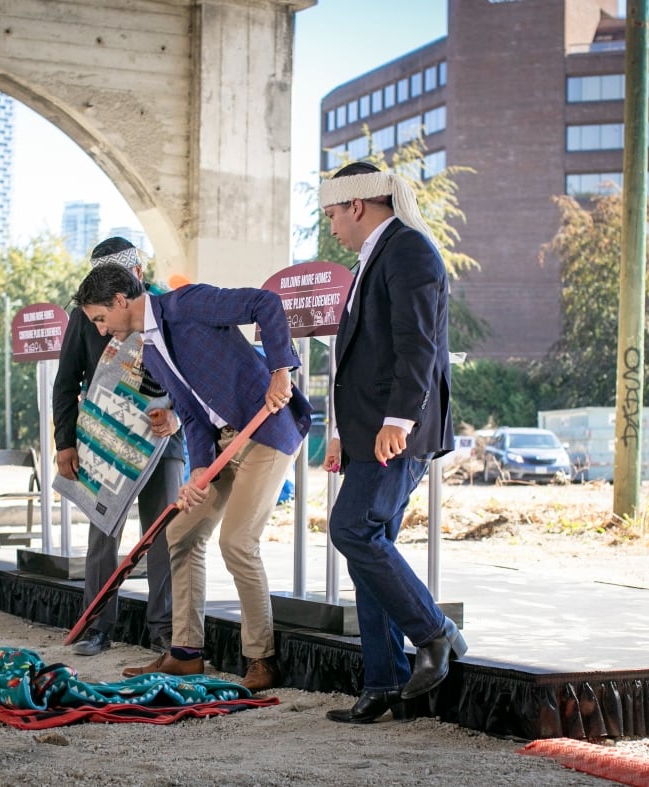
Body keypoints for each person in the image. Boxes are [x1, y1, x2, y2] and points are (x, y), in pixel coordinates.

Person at [72, 264, 311, 692]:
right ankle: (185, 653)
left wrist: (280, 370)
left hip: (268, 431)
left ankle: (262, 658)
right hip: (222, 446)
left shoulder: (188, 303)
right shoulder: (150, 353)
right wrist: (199, 467)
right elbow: (194, 415)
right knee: (181, 534)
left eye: (100, 319)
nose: (103, 331)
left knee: (237, 542)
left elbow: (265, 303)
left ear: (121, 301)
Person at [318, 161, 467, 724]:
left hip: (396, 432)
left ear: (357, 205)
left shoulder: (409, 250)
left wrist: (398, 421)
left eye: (333, 213)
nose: (331, 226)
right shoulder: (372, 258)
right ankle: (385, 683)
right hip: (368, 433)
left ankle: (435, 633)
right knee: (367, 549)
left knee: (352, 530)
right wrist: (338, 432)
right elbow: (352, 359)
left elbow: (418, 346)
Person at [53, 238, 183, 657]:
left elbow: (188, 375)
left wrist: (176, 417)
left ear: (137, 276)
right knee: (102, 533)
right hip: (104, 441)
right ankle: (96, 625)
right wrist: (65, 443)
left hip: (163, 442)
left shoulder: (169, 308)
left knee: (163, 534)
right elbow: (66, 380)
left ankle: (163, 628)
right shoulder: (85, 316)